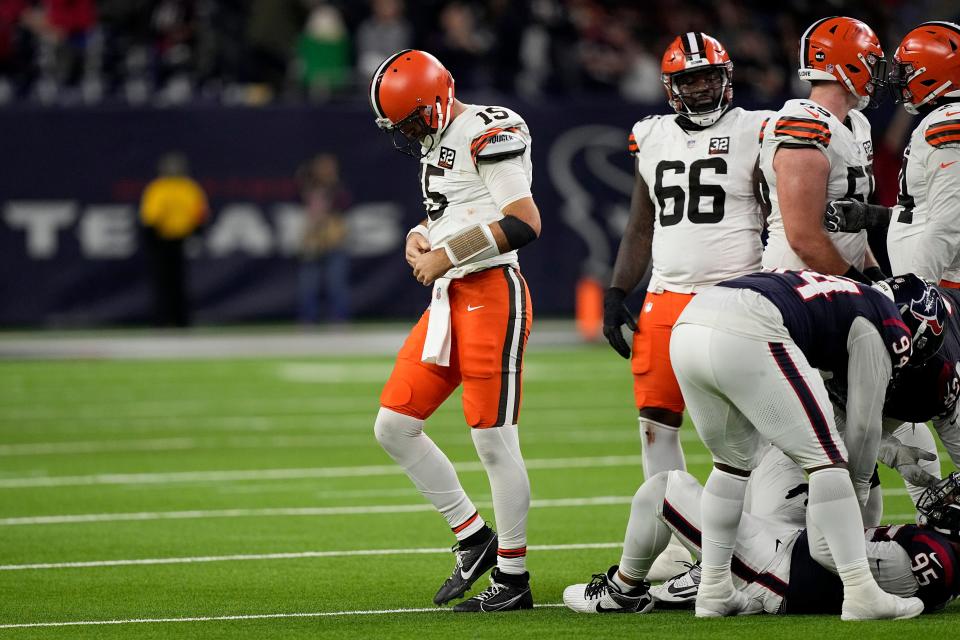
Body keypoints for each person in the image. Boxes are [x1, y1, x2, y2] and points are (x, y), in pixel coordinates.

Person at [369, 49, 541, 612]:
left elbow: (522, 220)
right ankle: (473, 537)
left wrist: (445, 255)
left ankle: (513, 577)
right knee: (394, 425)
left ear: (440, 96)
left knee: (494, 440)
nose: (412, 132)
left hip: (493, 291)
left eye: (415, 118)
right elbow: (454, 210)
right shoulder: (437, 139)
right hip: (451, 298)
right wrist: (419, 236)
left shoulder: (488, 128)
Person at [670, 270, 946, 619]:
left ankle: (714, 589)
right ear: (914, 331)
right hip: (748, 325)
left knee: (730, 465)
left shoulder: (849, 297)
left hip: (691, 323)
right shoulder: (885, 320)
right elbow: (861, 429)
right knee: (827, 461)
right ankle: (862, 592)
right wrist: (858, 488)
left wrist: (888, 449)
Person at [602, 32, 772, 578]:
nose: (699, 88)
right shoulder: (649, 136)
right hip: (665, 297)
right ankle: (679, 537)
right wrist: (615, 292)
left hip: (737, 294)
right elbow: (640, 224)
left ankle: (754, 537)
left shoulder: (756, 129)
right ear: (670, 87)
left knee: (753, 426)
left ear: (725, 77)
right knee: (656, 424)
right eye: (688, 79)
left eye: (706, 76)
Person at [822, 21, 960, 511]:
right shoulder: (940, 120)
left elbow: (945, 226)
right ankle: (934, 514)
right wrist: (872, 217)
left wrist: (916, 300)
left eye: (907, 70)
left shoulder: (947, 124)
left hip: (942, 296)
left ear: (934, 74)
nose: (897, 78)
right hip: (937, 290)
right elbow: (924, 212)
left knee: (915, 414)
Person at [562, 465, 960, 617]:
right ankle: (707, 571)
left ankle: (621, 594)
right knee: (771, 453)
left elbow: (832, 553)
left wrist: (835, 475)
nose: (945, 496)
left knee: (665, 488)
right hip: (788, 546)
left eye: (955, 499)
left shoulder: (935, 559)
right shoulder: (938, 552)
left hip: (779, 572)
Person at [759, 16, 887, 283]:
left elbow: (847, 223)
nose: (877, 74)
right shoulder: (804, 123)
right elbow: (804, 238)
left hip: (836, 282)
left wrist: (874, 274)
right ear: (849, 66)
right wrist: (863, 289)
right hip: (796, 285)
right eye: (871, 63)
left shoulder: (857, 123)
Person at [139, 151, 208, 327]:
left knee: (168, 282)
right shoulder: (186, 187)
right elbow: (199, 215)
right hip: (172, 240)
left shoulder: (161, 188)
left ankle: (169, 320)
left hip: (168, 239)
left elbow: (151, 217)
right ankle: (176, 319)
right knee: (173, 282)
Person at [296, 153, 351, 324]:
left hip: (333, 243)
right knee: (308, 285)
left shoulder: (338, 190)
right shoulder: (309, 187)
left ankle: (339, 319)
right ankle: (308, 319)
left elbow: (341, 216)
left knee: (336, 284)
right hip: (312, 243)